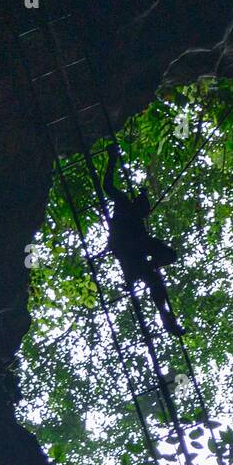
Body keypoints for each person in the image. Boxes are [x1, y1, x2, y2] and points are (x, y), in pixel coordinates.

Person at [101, 145, 185, 338]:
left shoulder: (136, 218)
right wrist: (112, 158)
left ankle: (166, 318)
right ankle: (165, 316)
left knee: (159, 272)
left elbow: (160, 251)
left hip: (135, 253)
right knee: (153, 275)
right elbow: (108, 187)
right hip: (128, 251)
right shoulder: (124, 205)